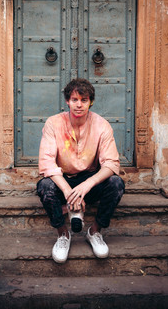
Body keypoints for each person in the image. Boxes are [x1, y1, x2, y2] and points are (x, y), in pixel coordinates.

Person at [37, 78, 125, 263]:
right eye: (74, 100)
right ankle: (63, 234)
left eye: (84, 100)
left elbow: (111, 164)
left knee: (116, 183)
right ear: (67, 101)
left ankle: (94, 232)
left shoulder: (102, 125)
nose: (79, 105)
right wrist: (69, 193)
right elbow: (47, 164)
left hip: (89, 181)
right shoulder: (53, 123)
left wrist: (87, 185)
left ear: (90, 102)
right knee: (45, 186)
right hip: (63, 181)